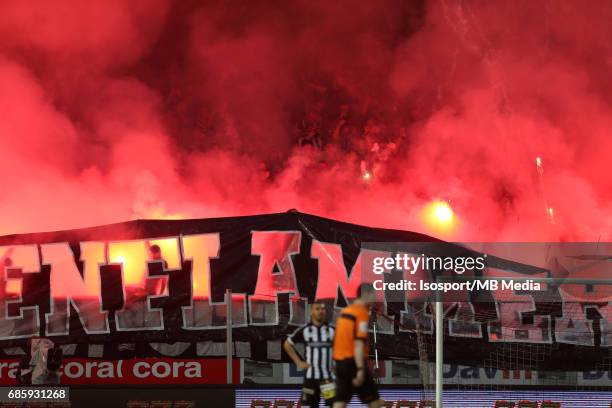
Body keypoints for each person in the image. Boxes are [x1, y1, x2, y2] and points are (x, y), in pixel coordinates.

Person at [332, 284, 384, 408]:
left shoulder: (345, 312)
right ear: (366, 295)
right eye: (373, 295)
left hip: (340, 362)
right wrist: (360, 369)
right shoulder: (361, 314)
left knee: (340, 400)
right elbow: (359, 343)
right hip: (354, 362)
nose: (375, 299)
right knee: (375, 401)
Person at [283, 302, 335, 407]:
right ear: (311, 312)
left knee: (334, 405)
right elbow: (287, 344)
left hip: (327, 379)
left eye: (322, 309)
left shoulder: (332, 330)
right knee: (310, 405)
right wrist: (299, 362)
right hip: (310, 378)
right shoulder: (305, 330)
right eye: (317, 309)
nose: (320, 311)